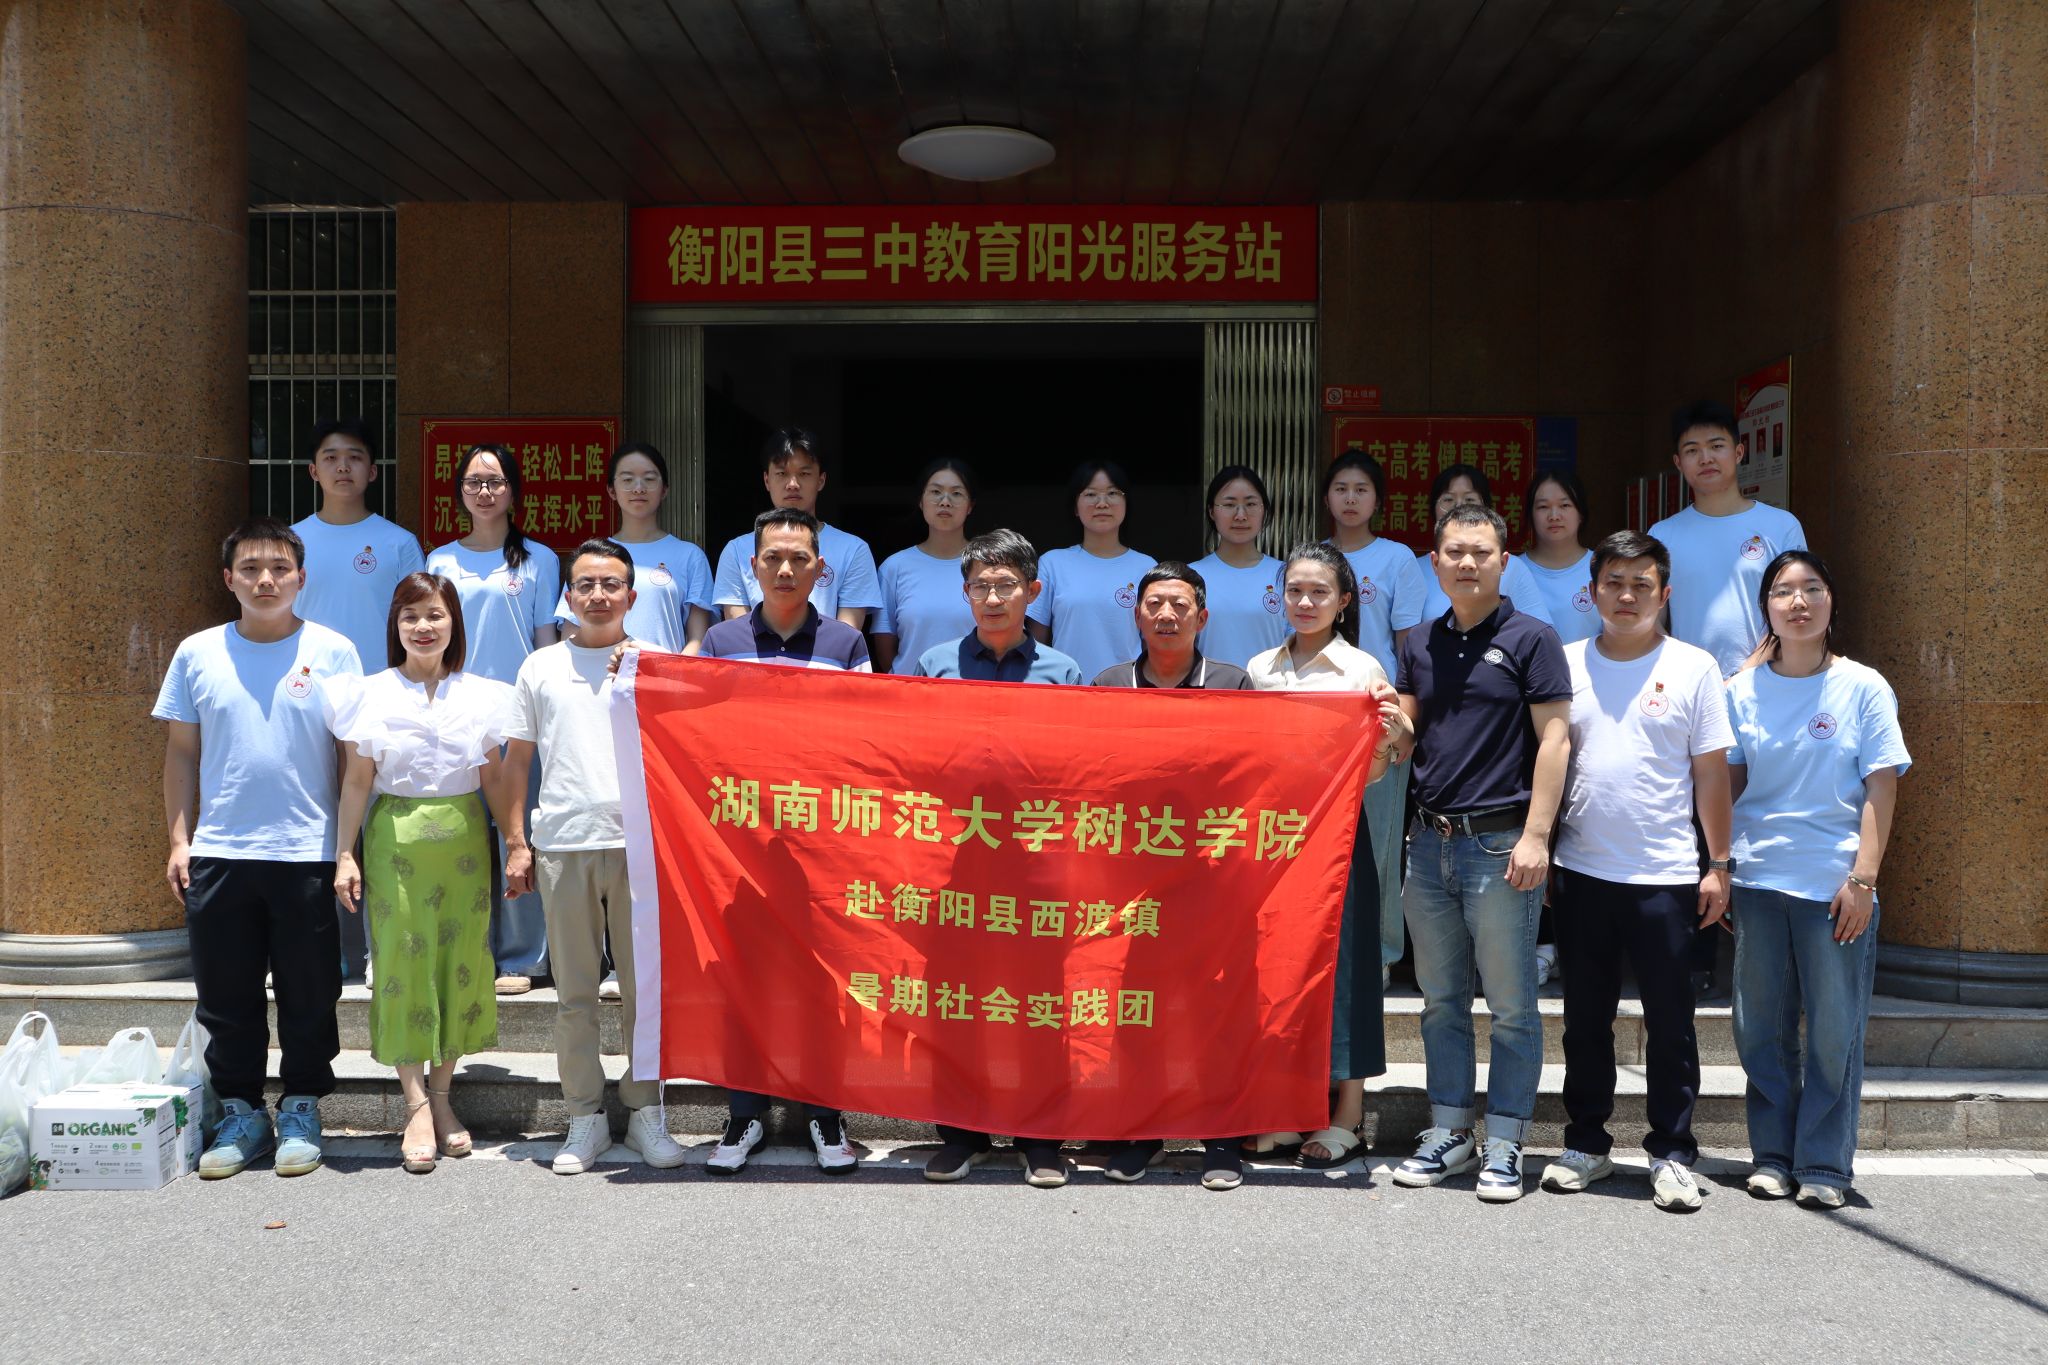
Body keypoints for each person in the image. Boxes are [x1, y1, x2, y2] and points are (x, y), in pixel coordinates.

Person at [153, 519, 363, 1179]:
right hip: (221, 851)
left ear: (301, 577)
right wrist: (180, 840)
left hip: (307, 852)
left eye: (278, 568)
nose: (265, 580)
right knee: (226, 995)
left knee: (310, 991)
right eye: (250, 568)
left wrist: (346, 849)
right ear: (228, 579)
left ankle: (301, 1105)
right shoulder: (197, 653)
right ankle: (241, 1112)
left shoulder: (333, 651)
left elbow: (353, 760)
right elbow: (181, 753)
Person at [1539, 532, 1733, 1213]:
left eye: (1641, 584)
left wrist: (1718, 864)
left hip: (1666, 874)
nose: (1627, 595)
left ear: (1664, 593)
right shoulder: (1564, 663)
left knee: (1672, 1023)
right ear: (1592, 590)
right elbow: (1549, 760)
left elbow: (1711, 773)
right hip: (1581, 869)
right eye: (1614, 582)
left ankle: (1672, 1152)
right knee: (1584, 1020)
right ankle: (1586, 1144)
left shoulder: (1694, 667)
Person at [1392, 503, 1571, 1203]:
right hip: (1426, 843)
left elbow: (1555, 740)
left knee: (1512, 1004)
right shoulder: (1416, 641)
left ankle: (1505, 1139)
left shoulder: (1532, 639)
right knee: (1440, 1001)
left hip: (1500, 844)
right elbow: (1406, 733)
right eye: (1454, 552)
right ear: (1434, 562)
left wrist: (1537, 835)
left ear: (1504, 561)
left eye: (1481, 552)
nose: (1467, 563)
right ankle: (1449, 1131)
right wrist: (1382, 721)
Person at [1726, 551, 1908, 1210]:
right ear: (1766, 609)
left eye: (1812, 588)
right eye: (1782, 591)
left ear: (1832, 601)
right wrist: (1719, 865)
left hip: (1835, 885)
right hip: (1757, 879)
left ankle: (1825, 1164)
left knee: (1834, 1032)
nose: (1798, 601)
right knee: (1759, 1028)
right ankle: (1773, 1156)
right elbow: (1729, 785)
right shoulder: (1741, 691)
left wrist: (1863, 878)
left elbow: (1881, 786)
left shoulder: (1863, 686)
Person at [695, 509, 873, 1176]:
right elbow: (698, 731)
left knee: (822, 982)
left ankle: (826, 1112)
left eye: (800, 558)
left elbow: (863, 737)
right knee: (743, 980)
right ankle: (744, 1114)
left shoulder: (846, 644)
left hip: (821, 841)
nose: (786, 569)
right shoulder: (721, 640)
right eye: (773, 557)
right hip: (740, 846)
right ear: (753, 566)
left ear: (821, 569)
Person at [326, 573, 521, 1173]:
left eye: (435, 614)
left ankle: (442, 1097)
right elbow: (357, 781)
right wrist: (345, 853)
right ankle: (413, 1103)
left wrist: (516, 843)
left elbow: (493, 778)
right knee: (401, 963)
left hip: (464, 841)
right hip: (396, 843)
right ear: (396, 625)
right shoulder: (368, 693)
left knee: (460, 962)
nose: (423, 626)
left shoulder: (483, 695)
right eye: (410, 616)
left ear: (453, 622)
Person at [502, 538, 686, 1175]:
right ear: (568, 596)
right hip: (563, 844)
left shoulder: (655, 662)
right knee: (574, 994)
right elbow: (516, 762)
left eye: (611, 585)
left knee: (644, 993)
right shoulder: (540, 667)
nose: (598, 595)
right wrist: (517, 843)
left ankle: (645, 1113)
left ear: (631, 596)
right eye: (586, 584)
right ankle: (584, 1118)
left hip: (642, 847)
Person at [912, 529, 1084, 1185]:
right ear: (964, 592)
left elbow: (1073, 769)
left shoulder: (1062, 671)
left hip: (1035, 861)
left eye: (1006, 584)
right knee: (957, 999)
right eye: (980, 585)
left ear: (1031, 591)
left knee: (1040, 1002)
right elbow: (912, 756)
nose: (992, 597)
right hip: (955, 860)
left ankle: (1041, 1137)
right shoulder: (934, 664)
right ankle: (962, 1132)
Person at [1244, 544, 1412, 1182]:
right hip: (1273, 838)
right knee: (1279, 969)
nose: (1306, 602)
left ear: (1344, 602)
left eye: (1319, 592)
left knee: (1347, 967)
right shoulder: (1261, 669)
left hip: (1339, 834)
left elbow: (1381, 765)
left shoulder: (1362, 669)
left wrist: (1392, 733)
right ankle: (1292, 1105)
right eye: (1295, 591)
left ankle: (1347, 1114)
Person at [289, 418, 425, 980]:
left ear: (372, 471)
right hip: (303, 700)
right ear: (313, 471)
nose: (342, 466)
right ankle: (322, 949)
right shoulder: (291, 543)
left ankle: (377, 950)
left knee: (378, 826)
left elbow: (419, 622)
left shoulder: (397, 543)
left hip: (379, 701)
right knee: (314, 823)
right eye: (331, 457)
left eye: (354, 457)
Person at [426, 444, 560, 997]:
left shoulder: (539, 560)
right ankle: (467, 951)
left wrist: (547, 710)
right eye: (474, 482)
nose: (484, 491)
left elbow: (546, 640)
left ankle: (524, 957)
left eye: (496, 481)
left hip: (519, 719)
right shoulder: (439, 562)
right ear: (459, 491)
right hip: (457, 716)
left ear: (513, 491)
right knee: (461, 840)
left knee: (517, 836)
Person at [1322, 450, 1429, 986]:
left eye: (1361, 489)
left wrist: (1406, 724)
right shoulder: (1312, 557)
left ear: (1378, 501)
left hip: (1377, 717)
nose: (1350, 498)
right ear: (1326, 497)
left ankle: (1382, 953)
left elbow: (1409, 651)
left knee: (1381, 841)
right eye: (1340, 488)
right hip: (1319, 720)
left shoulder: (1397, 558)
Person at [1648, 400, 1808, 680]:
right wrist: (1689, 676)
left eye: (1716, 446)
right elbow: (1652, 618)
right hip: (1690, 685)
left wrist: (1743, 676)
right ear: (1678, 463)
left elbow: (1797, 607)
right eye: (1692, 450)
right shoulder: (1662, 535)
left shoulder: (1781, 526)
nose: (1705, 458)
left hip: (1768, 682)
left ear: (1738, 452)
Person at [711, 426, 881, 629]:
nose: (792, 484)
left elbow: (846, 636)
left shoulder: (853, 550)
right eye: (782, 473)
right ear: (767, 480)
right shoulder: (736, 551)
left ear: (821, 480)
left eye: (804, 473)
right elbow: (738, 634)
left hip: (825, 651)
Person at [554, 443, 714, 654]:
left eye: (649, 479)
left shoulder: (690, 556)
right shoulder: (590, 557)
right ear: (611, 490)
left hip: (664, 673)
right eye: (628, 479)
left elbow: (698, 639)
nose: (638, 488)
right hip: (597, 673)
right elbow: (571, 633)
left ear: (664, 489)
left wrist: (672, 672)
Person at [1027, 460, 1157, 685]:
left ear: (1126, 503)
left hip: (1128, 693)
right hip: (1067, 691)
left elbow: (1153, 645)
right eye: (1090, 494)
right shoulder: (1052, 564)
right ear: (1075, 507)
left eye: (1112, 493)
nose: (1102, 503)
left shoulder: (1146, 567)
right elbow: (1036, 643)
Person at [1412, 463, 1557, 631]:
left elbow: (1539, 631)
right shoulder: (1415, 570)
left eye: (1470, 500)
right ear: (1435, 563)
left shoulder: (1513, 567)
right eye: (1448, 499)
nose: (1459, 506)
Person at [872, 458, 978, 674]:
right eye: (936, 492)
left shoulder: (989, 565)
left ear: (970, 506)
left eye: (957, 493)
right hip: (910, 690)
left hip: (973, 690)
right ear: (921, 501)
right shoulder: (894, 567)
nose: (945, 501)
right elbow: (884, 650)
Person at [1093, 563, 1253, 691]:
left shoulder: (1233, 685)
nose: (1166, 615)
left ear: (1201, 619)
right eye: (1155, 603)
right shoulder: (1108, 686)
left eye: (1179, 604)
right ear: (1137, 617)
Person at [1189, 465, 1287, 669]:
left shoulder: (1286, 575)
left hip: (1270, 687)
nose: (1240, 515)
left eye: (1250, 504)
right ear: (1211, 511)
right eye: (1229, 504)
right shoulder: (1190, 577)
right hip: (1209, 687)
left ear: (1264, 510)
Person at [1520, 469, 1599, 646]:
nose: (1554, 516)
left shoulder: (1601, 568)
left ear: (1580, 513)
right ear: (1531, 515)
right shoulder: (1513, 570)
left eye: (1565, 505)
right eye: (1543, 507)